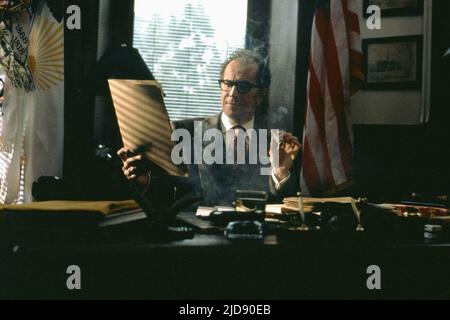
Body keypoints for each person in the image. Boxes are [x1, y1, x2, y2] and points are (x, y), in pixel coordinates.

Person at [118, 49, 301, 207]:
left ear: (260, 95)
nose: (232, 93)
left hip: (251, 240)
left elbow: (281, 205)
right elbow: (170, 191)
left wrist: (279, 172)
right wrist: (144, 179)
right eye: (228, 84)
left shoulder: (276, 143)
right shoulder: (184, 132)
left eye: (243, 86)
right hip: (197, 239)